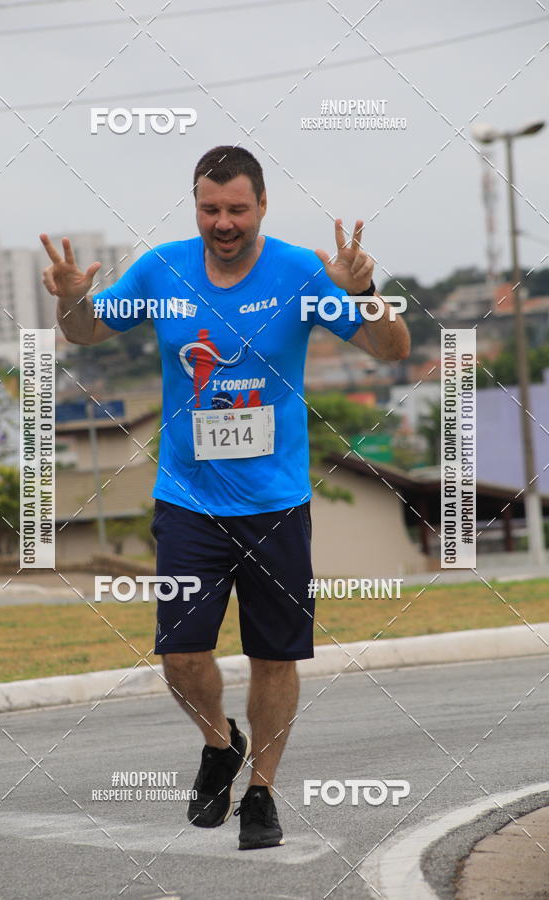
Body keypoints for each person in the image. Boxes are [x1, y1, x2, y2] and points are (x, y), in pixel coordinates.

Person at [40, 145, 410, 851]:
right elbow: (88, 331)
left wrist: (365, 291)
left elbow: (392, 348)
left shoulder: (303, 271)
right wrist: (69, 299)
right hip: (187, 499)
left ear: (262, 206)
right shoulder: (163, 267)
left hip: (276, 503)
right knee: (180, 656)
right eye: (210, 208)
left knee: (275, 657)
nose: (224, 221)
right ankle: (219, 742)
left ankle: (263, 794)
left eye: (237, 208)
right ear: (196, 206)